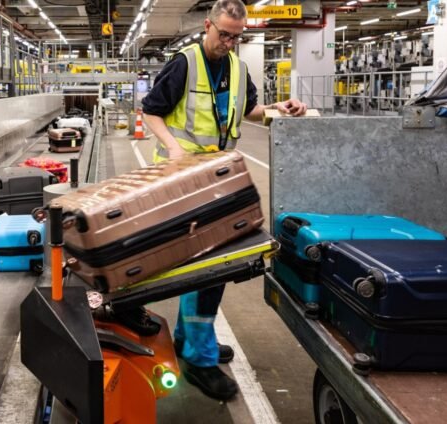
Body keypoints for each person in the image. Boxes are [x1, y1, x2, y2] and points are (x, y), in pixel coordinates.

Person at [141, 0, 307, 401]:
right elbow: (151, 112)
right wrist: (173, 149)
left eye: (237, 36)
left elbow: (248, 110)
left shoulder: (238, 67)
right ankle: (199, 359)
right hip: (182, 181)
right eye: (224, 34)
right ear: (207, 25)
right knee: (207, 270)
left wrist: (277, 110)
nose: (229, 43)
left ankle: (190, 341)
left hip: (218, 181)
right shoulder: (185, 63)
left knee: (210, 267)